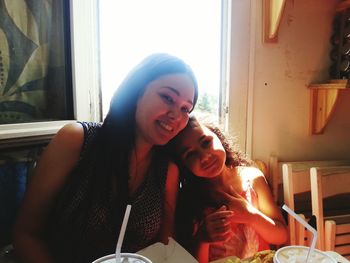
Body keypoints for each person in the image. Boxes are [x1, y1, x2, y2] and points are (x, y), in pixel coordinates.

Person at [13, 53, 199, 263]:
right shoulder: (78, 141)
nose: (176, 115)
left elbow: (165, 250)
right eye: (167, 98)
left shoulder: (167, 171)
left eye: (186, 108)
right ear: (137, 91)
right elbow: (26, 234)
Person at [169, 116, 288, 263]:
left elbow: (281, 236)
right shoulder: (189, 200)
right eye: (190, 154)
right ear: (184, 166)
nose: (205, 157)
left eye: (206, 142)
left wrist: (250, 215)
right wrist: (202, 239)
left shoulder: (253, 177)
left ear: (218, 136)